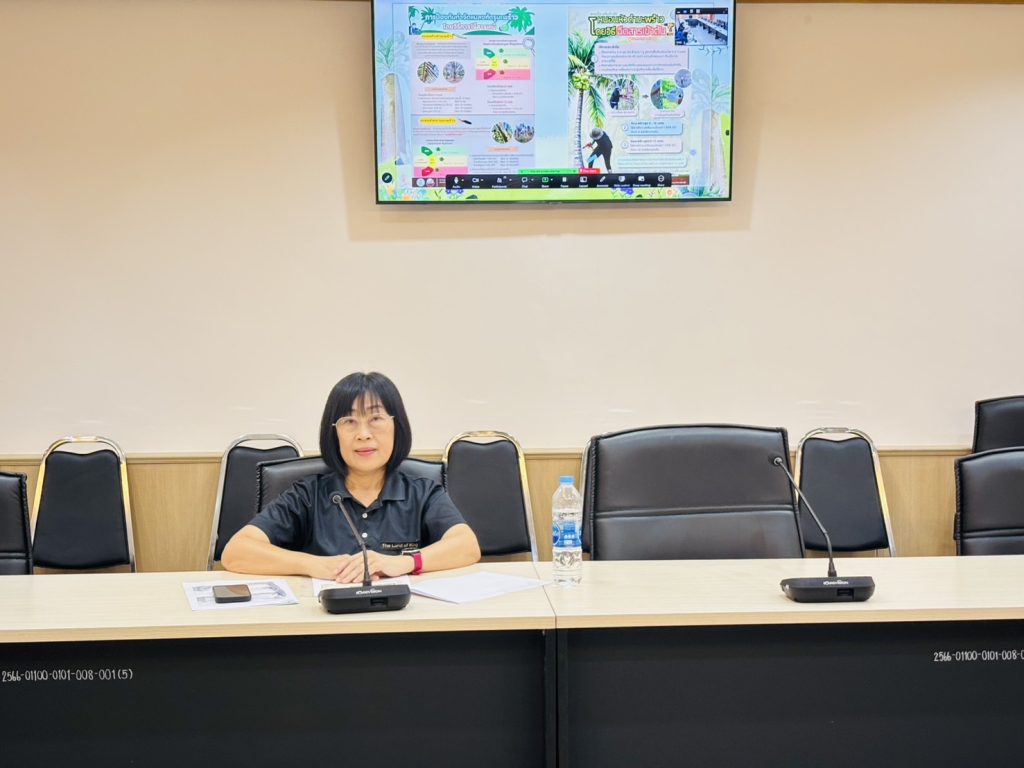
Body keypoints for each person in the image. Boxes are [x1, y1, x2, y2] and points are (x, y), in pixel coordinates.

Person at [222, 372, 481, 582]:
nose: (363, 434)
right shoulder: (307, 495)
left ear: (397, 426)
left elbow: (467, 545)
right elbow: (236, 552)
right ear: (333, 433)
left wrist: (404, 562)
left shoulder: (422, 492)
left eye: (376, 418)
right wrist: (314, 565)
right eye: (349, 421)